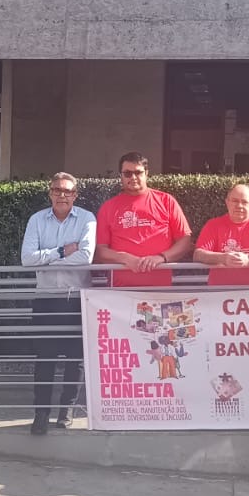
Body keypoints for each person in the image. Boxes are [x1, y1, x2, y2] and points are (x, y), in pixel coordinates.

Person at [19, 172, 97, 435]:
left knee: (75, 359)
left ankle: (66, 410)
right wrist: (63, 251)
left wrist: (47, 259)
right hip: (46, 298)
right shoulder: (37, 219)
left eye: (67, 191)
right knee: (44, 358)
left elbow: (86, 257)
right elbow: (27, 259)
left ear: (75, 194)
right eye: (57, 190)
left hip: (76, 298)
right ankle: (41, 413)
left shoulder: (87, 218)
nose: (62, 195)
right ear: (50, 193)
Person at [95, 152, 193, 287]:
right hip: (119, 291)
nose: (133, 177)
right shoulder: (108, 207)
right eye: (127, 173)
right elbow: (100, 251)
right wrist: (124, 258)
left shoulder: (166, 201)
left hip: (161, 290)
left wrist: (161, 258)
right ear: (121, 176)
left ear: (146, 173)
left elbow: (185, 240)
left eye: (138, 172)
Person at [193, 184, 249, 286]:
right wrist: (223, 258)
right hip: (218, 294)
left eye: (244, 202)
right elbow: (198, 254)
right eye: (235, 201)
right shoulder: (213, 225)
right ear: (227, 202)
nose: (239, 206)